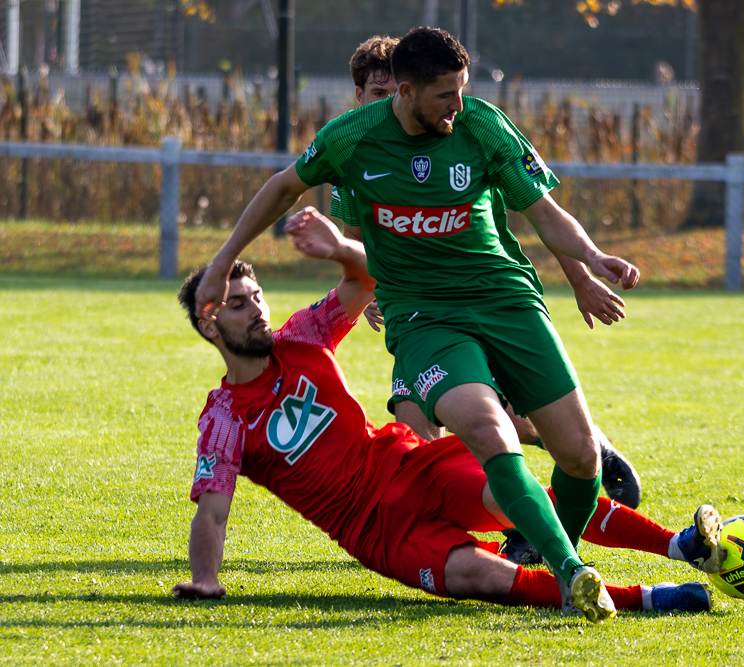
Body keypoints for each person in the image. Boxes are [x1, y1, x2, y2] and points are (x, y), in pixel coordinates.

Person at [195, 27, 642, 622]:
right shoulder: (352, 140)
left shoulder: (482, 125)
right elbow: (283, 189)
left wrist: (590, 261)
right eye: (444, 96)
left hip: (506, 301)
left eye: (462, 92)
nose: (457, 107)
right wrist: (223, 262)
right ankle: (570, 574)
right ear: (403, 92)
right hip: (424, 316)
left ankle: (556, 549)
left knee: (581, 457)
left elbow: (544, 213)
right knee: (487, 431)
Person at [172, 209, 726, 620]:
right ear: (209, 324)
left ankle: (679, 545)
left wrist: (340, 246)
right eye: (239, 303)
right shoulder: (222, 418)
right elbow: (213, 511)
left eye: (258, 295)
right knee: (480, 577)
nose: (258, 309)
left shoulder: (302, 337)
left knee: (513, 498)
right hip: (374, 532)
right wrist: (205, 580)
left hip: (410, 466)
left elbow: (368, 280)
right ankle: (650, 600)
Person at [333, 34, 642, 565]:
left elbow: (539, 214)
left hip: (487, 299)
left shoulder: (465, 130)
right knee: (426, 433)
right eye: (373, 90)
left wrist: (582, 275)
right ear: (360, 93)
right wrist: (371, 288)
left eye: (389, 87)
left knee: (496, 424)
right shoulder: (356, 151)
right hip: (417, 315)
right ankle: (470, 536)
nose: (382, 99)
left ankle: (540, 517)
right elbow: (359, 243)